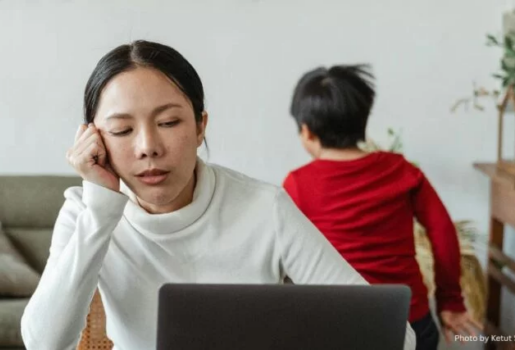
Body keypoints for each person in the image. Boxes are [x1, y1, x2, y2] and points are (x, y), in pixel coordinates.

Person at [21, 40, 416, 350]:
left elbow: (395, 336)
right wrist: (101, 208)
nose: (148, 147)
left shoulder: (264, 208)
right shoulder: (86, 212)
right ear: (94, 139)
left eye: (169, 121)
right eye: (122, 130)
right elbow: (45, 343)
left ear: (200, 126)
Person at [283, 64, 482, 349]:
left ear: (307, 132)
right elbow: (443, 232)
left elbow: (288, 255)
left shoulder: (297, 184)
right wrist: (451, 300)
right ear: (363, 120)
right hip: (409, 321)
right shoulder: (401, 170)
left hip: (337, 325)